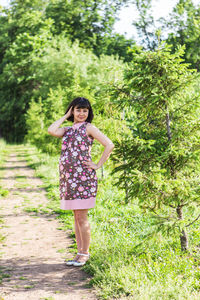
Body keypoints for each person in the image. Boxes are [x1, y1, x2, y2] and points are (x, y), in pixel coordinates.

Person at [47, 97, 114, 266]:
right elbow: (51, 130)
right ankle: (78, 253)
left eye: (85, 110)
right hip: (69, 180)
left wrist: (97, 164)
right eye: (78, 110)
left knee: (82, 218)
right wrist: (66, 115)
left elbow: (109, 145)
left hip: (83, 179)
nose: (82, 113)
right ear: (72, 111)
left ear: (89, 112)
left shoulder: (89, 128)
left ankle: (85, 253)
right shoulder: (67, 130)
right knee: (76, 217)